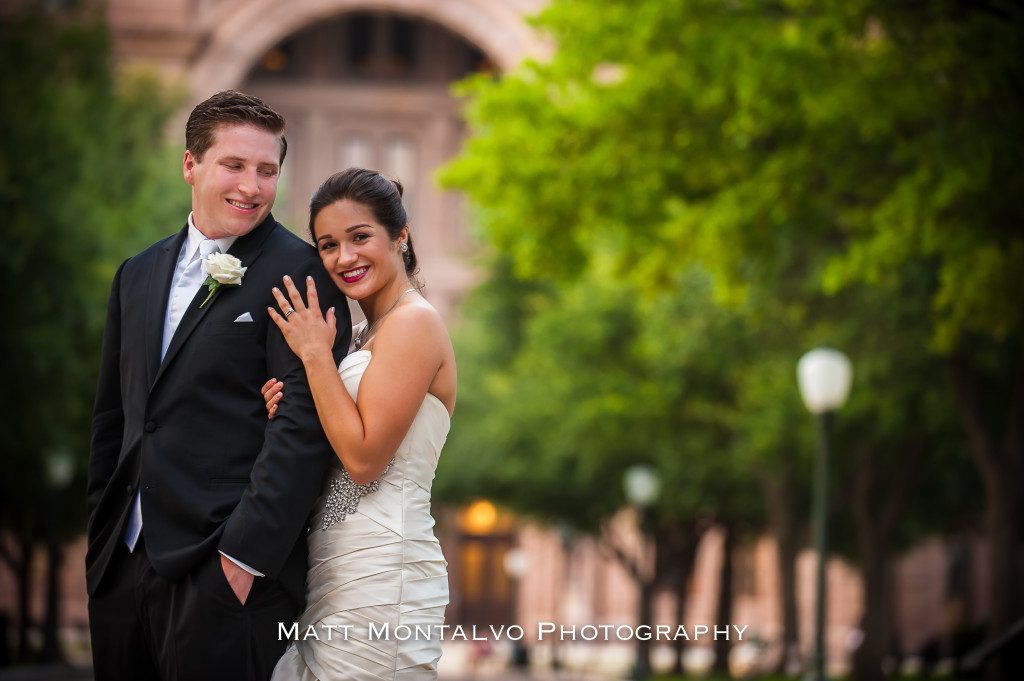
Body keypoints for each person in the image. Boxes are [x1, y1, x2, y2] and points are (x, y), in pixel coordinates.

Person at [85, 90, 350, 681]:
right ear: (190, 165)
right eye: (234, 165)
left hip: (224, 575)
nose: (251, 187)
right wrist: (99, 543)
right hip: (122, 568)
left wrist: (242, 559)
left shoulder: (298, 271)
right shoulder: (137, 274)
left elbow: (303, 426)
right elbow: (113, 419)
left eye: (267, 171)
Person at [261, 168, 455, 680]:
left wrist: (314, 356)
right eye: (327, 245)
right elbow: (338, 441)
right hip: (332, 567)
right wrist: (287, 409)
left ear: (401, 236)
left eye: (359, 237)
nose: (343, 258)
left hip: (382, 569)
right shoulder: (364, 335)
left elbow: (366, 460)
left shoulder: (416, 323)